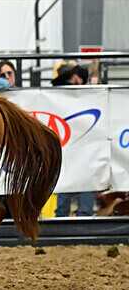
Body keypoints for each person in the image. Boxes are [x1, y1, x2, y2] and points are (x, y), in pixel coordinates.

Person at [51, 61, 94, 217]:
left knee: (68, 176)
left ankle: (64, 215)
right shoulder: (91, 94)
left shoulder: (59, 91)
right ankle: (83, 214)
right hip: (79, 138)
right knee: (82, 175)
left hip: (71, 138)